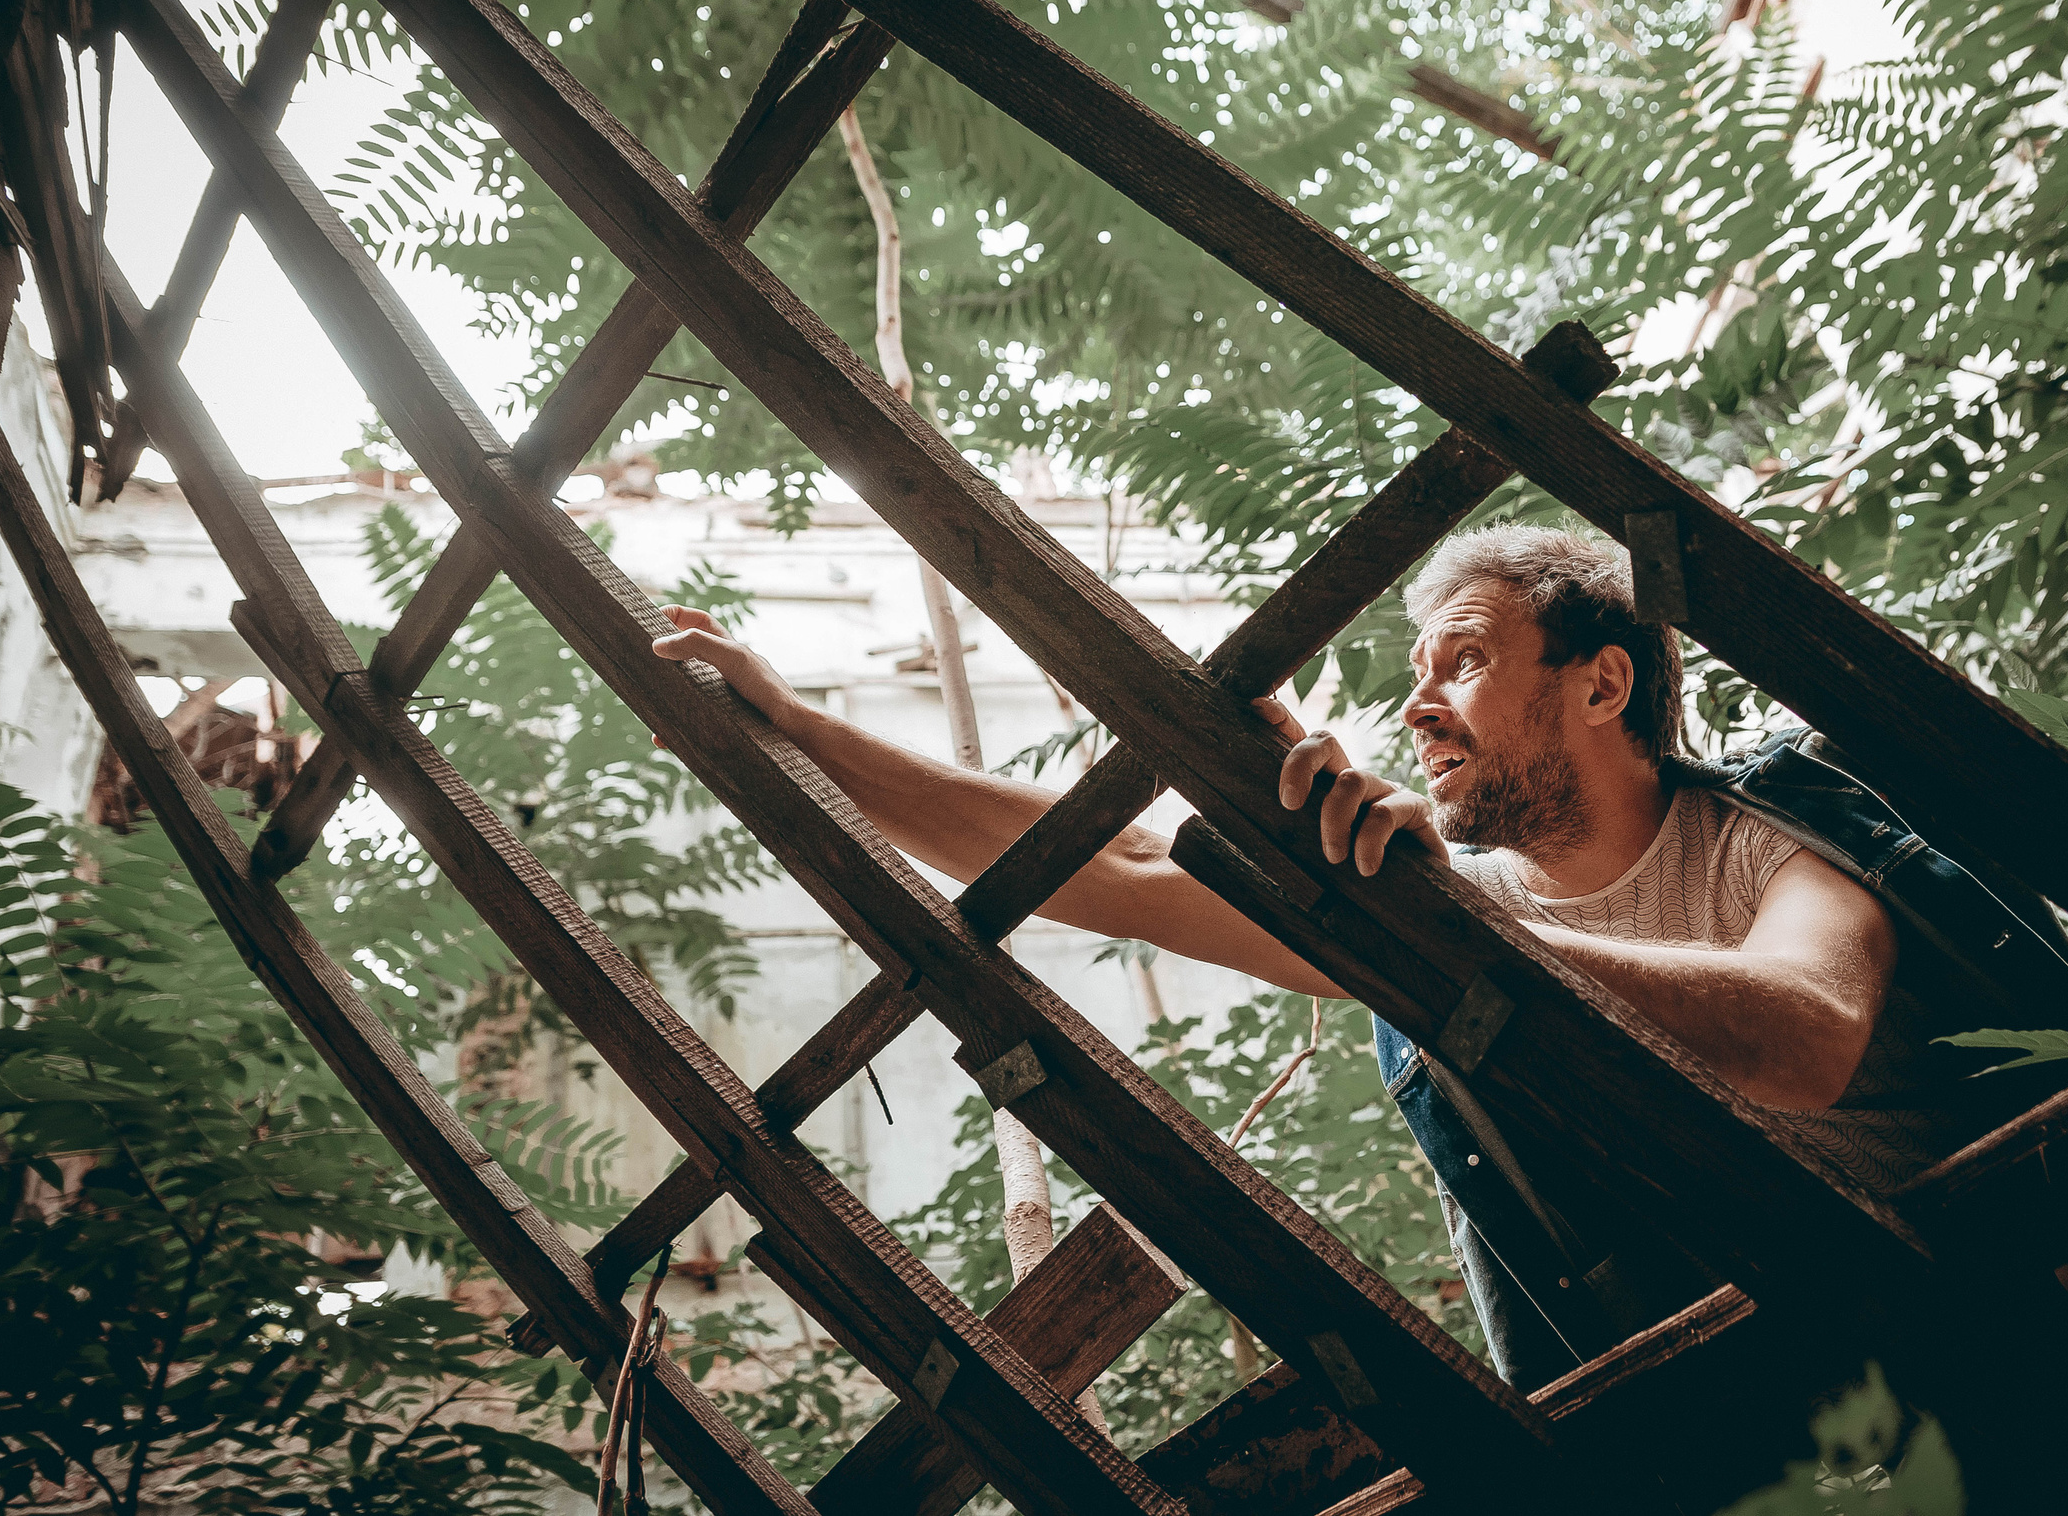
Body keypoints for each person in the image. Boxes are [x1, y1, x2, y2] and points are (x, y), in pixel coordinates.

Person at [651, 525, 1934, 1388]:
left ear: (1604, 686)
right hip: (1743, 1390)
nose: (1417, 705)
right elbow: (1132, 868)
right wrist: (804, 727)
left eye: (1467, 663)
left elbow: (1807, 1032)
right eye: (1415, 670)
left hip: (1968, 1295)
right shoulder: (1449, 897)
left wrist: (1448, 932)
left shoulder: (1759, 835)